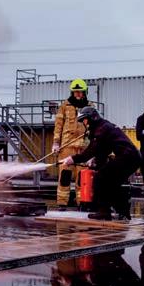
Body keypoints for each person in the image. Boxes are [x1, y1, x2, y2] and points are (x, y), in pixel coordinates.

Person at [60, 106, 141, 220]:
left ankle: (104, 211)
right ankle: (122, 211)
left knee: (100, 178)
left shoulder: (101, 129)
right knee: (112, 183)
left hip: (127, 157)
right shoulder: (104, 126)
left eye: (85, 120)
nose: (84, 123)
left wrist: (72, 159)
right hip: (133, 158)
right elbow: (104, 149)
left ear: (92, 118)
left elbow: (91, 151)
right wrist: (95, 160)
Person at [52, 79, 91, 210]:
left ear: (85, 92)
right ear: (72, 92)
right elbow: (58, 126)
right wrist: (56, 143)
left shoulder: (90, 107)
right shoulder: (64, 106)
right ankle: (62, 203)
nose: (78, 94)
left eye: (80, 92)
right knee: (65, 175)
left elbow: (94, 127)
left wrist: (92, 149)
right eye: (76, 92)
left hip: (83, 147)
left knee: (82, 177)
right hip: (67, 146)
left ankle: (82, 202)